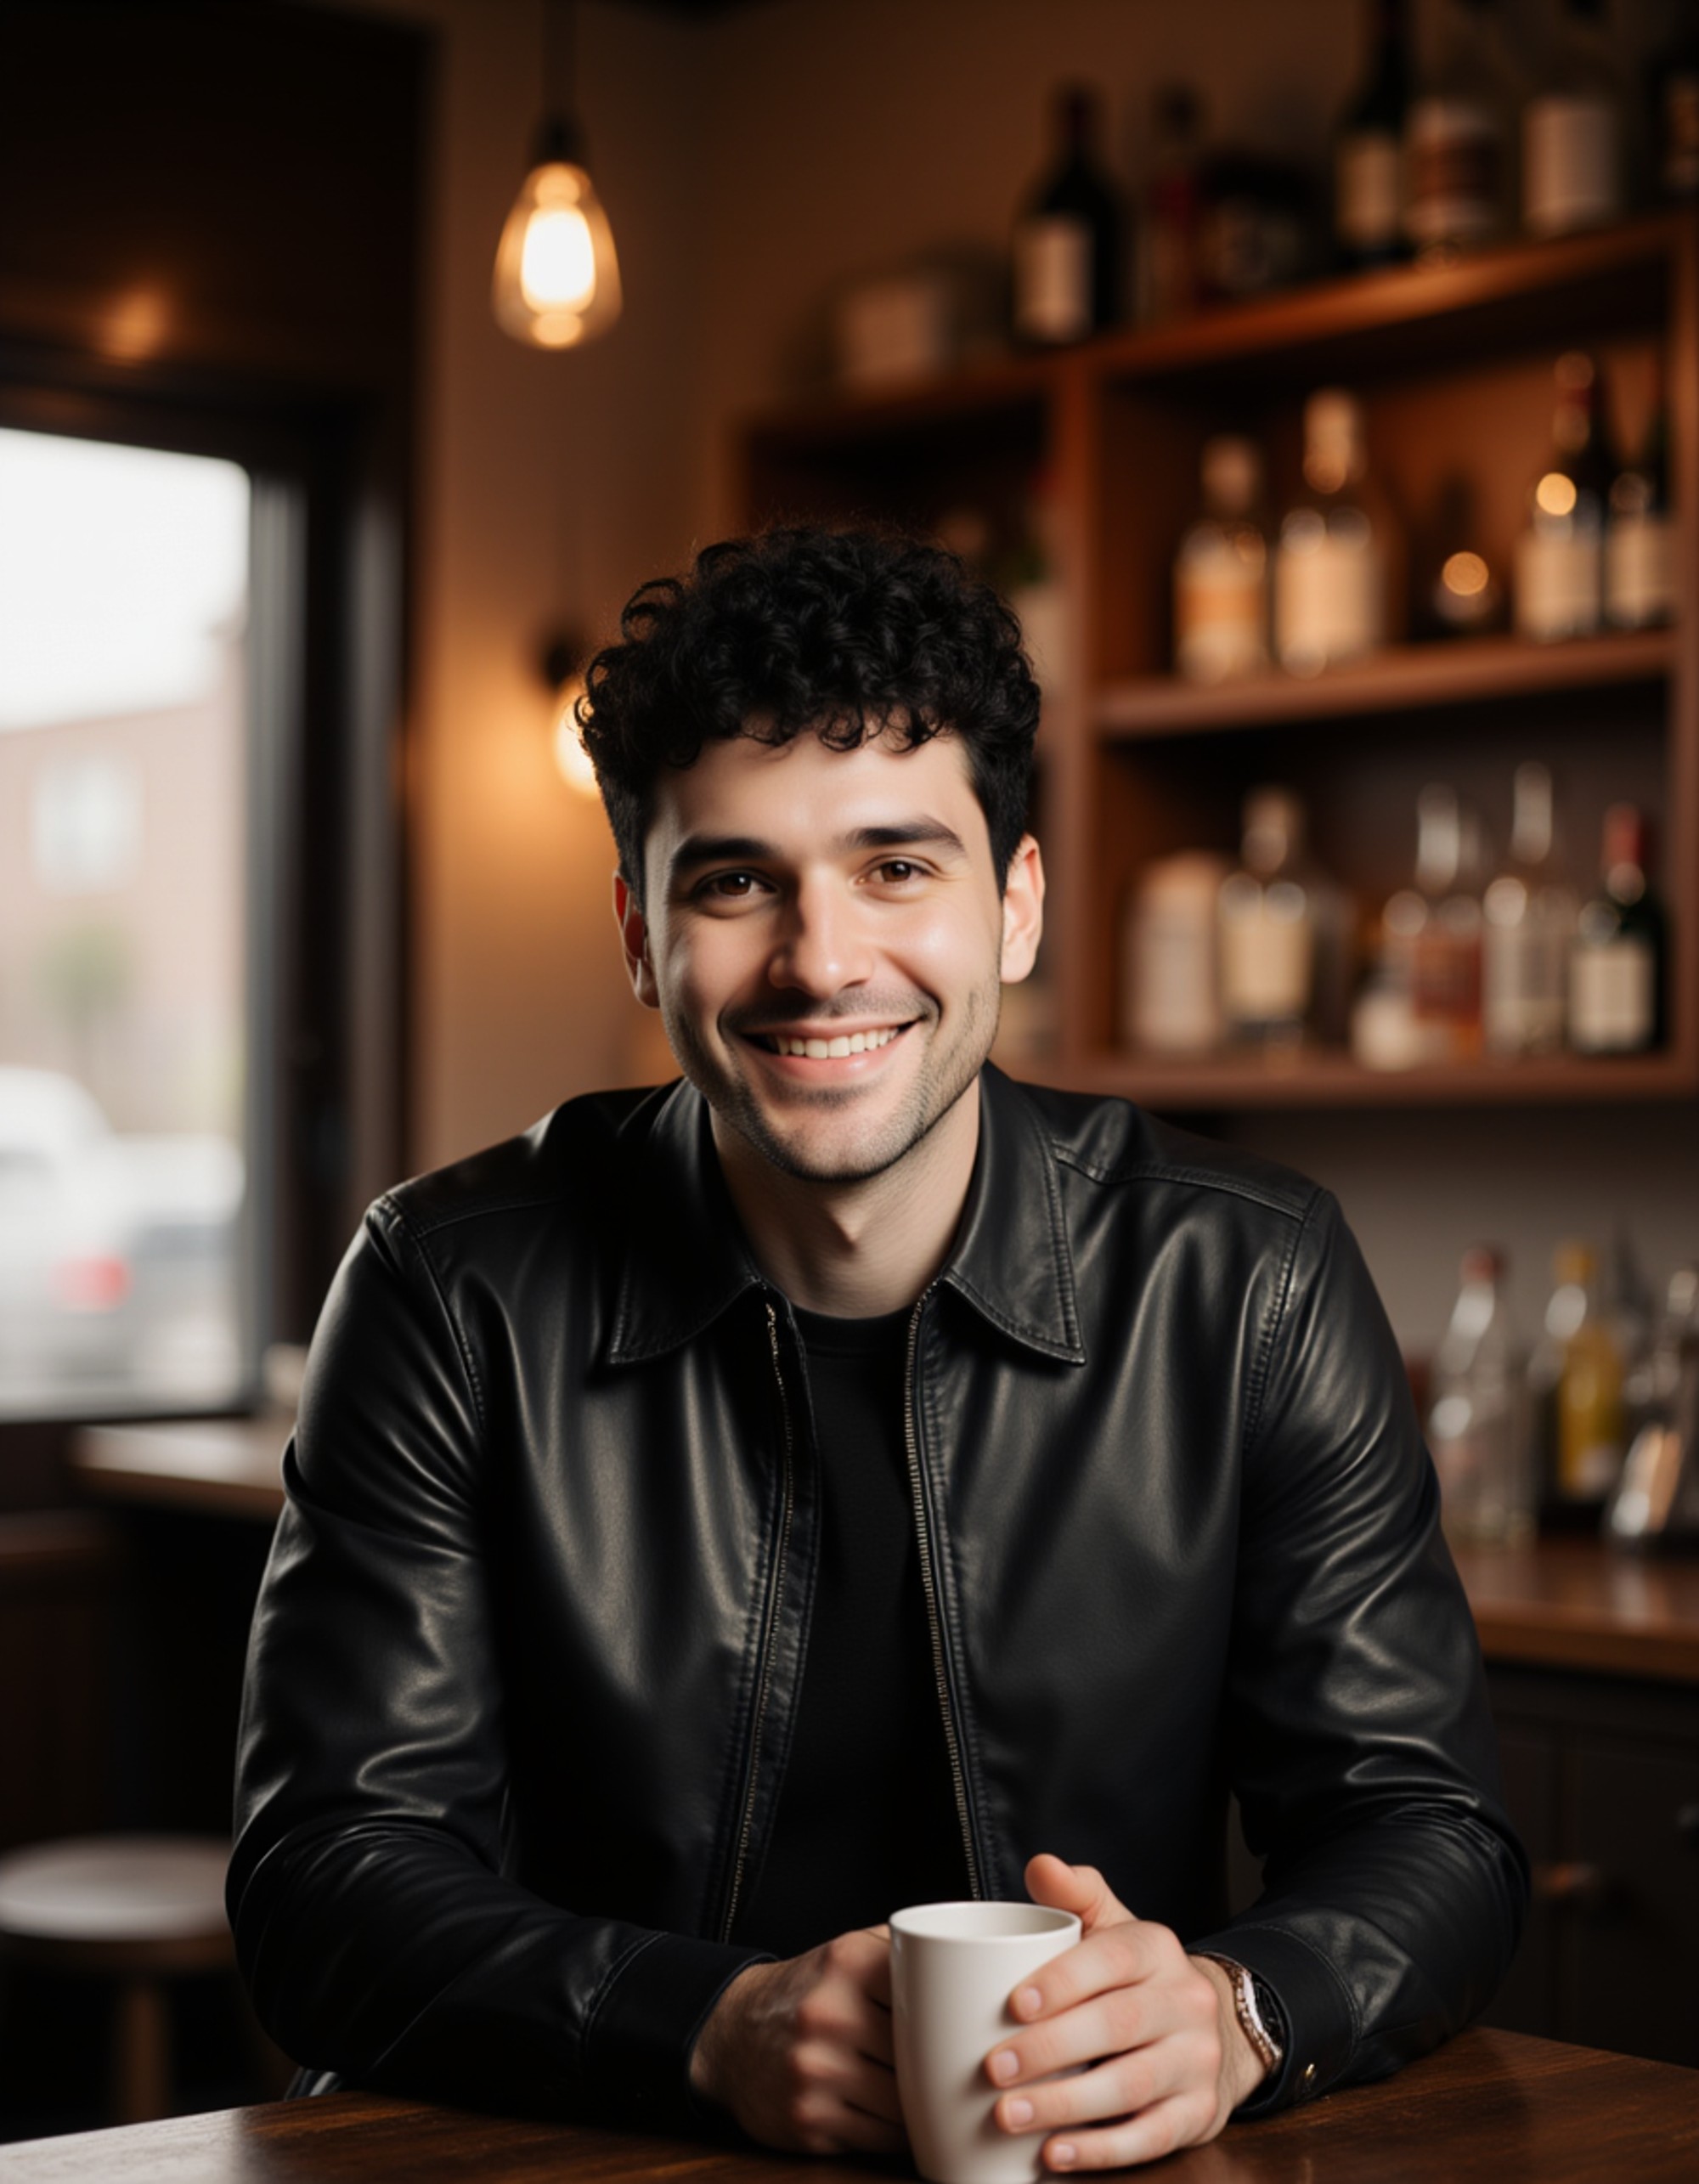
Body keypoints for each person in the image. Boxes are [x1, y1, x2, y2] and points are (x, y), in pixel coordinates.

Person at [229, 528, 1526, 2169]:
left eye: (898, 866)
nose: (821, 959)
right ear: (639, 933)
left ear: (1017, 908)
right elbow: (324, 1879)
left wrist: (1240, 2015)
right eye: (733, 879)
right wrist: (704, 2027)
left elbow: (1431, 1830)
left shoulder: (1247, 1279)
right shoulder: (448, 1289)